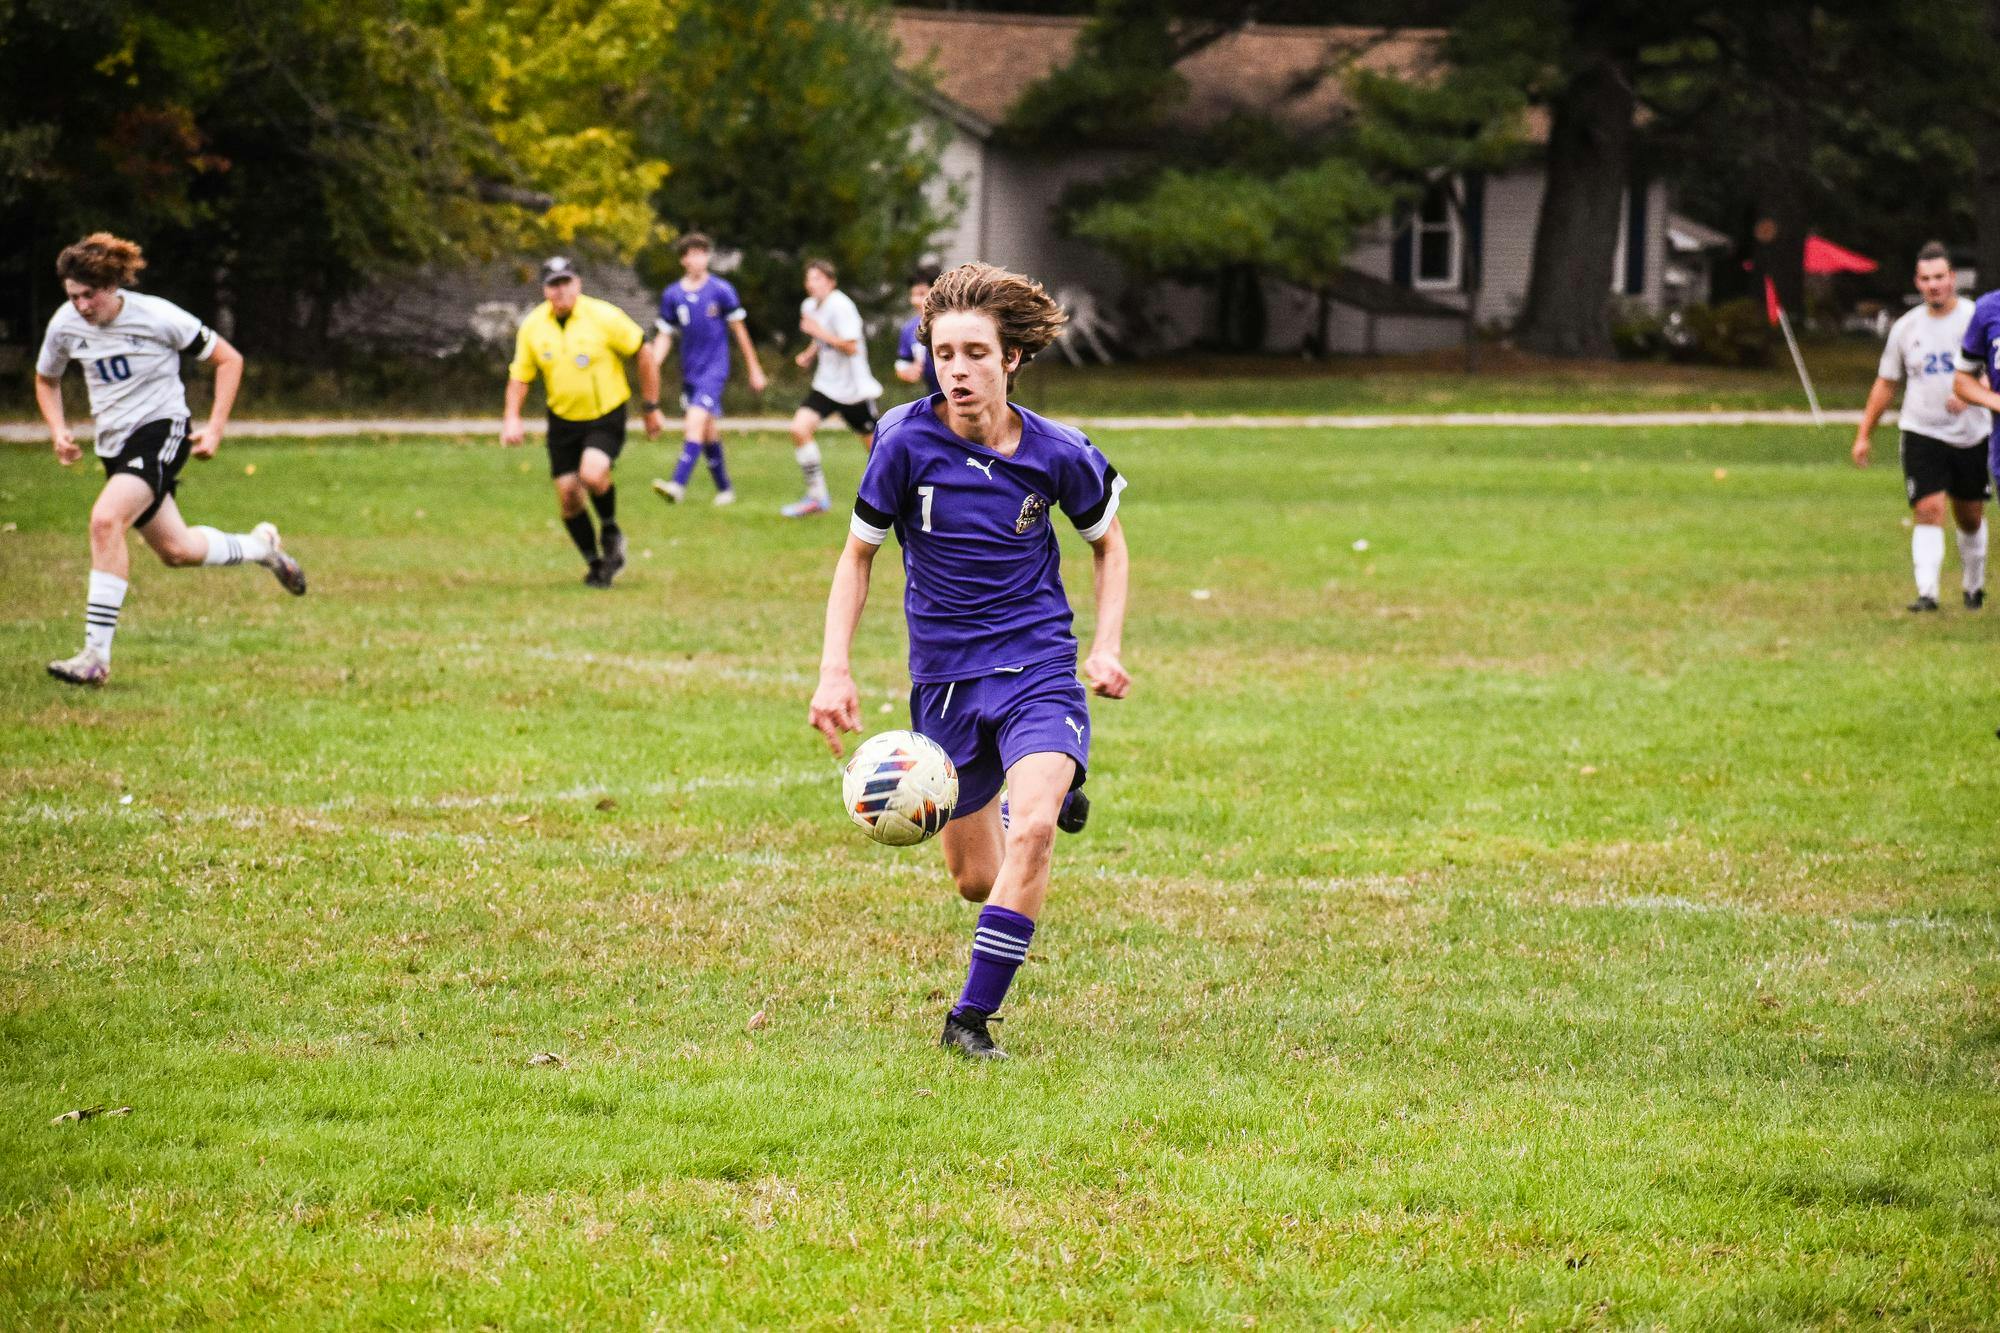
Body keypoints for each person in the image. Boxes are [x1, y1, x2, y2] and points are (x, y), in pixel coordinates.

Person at [807, 262, 1131, 1060]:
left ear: (1011, 357)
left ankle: (970, 1019)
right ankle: (1034, 797)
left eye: (975, 353)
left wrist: (1106, 645)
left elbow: (1108, 544)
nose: (957, 370)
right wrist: (834, 669)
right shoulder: (902, 441)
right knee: (977, 880)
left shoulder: (1058, 452)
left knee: (1037, 831)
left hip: (1036, 664)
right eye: (944, 353)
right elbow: (857, 557)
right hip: (945, 680)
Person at [33, 232, 305, 688]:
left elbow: (229, 360)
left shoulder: (158, 316)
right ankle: (261, 547)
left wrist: (214, 428)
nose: (81, 305)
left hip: (162, 431)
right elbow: (46, 379)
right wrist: (58, 428)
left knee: (105, 521)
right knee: (177, 551)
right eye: (73, 296)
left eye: (89, 295)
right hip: (115, 447)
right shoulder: (65, 324)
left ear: (112, 285)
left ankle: (95, 657)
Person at [501, 257, 663, 587]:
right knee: (569, 498)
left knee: (592, 473)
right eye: (554, 284)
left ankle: (610, 529)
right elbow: (520, 376)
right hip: (562, 419)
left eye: (566, 282)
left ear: (578, 283)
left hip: (605, 413)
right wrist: (511, 418)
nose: (561, 290)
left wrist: (650, 406)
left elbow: (643, 351)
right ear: (544, 289)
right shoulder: (533, 326)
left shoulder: (603, 316)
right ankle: (596, 563)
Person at [1854, 242, 1989, 611]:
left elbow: (1993, 373)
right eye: (1926, 279)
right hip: (1922, 431)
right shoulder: (1906, 328)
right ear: (1917, 282)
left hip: (1970, 434)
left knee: (1970, 515)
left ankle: (1973, 585)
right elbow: (1886, 382)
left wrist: (1971, 393)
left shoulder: (1976, 319)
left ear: (1952, 278)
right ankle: (1927, 593)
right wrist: (1864, 434)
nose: (1933, 285)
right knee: (1928, 508)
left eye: (1939, 277)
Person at [648, 233, 767, 506]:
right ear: (683, 260)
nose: (699, 259)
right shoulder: (673, 295)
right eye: (692, 254)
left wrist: (755, 368)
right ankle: (725, 489)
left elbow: (739, 331)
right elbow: (665, 335)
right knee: (707, 430)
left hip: (714, 370)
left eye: (703, 253)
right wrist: (652, 364)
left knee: (694, 422)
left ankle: (677, 485)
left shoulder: (721, 290)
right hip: (690, 371)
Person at [783, 259, 883, 518]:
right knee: (799, 429)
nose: (811, 284)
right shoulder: (809, 306)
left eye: (818, 278)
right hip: (826, 386)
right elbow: (821, 340)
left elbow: (851, 346)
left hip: (854, 391)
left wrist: (818, 332)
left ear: (831, 282)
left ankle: (900, 497)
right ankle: (817, 498)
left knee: (879, 451)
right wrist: (809, 354)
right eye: (809, 279)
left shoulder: (842, 306)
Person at [893, 272, 942, 399]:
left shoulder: (957, 323)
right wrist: (906, 372)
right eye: (913, 295)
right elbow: (902, 363)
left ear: (938, 292)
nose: (915, 301)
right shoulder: (909, 329)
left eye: (921, 294)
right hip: (937, 399)